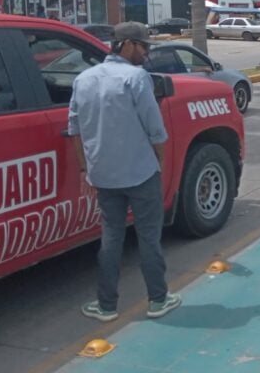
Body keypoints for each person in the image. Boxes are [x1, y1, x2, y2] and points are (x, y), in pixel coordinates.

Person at [68, 21, 182, 321]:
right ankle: (158, 300)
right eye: (143, 46)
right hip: (140, 173)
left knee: (111, 238)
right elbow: (156, 130)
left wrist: (85, 170)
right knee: (148, 238)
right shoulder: (136, 78)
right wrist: (159, 163)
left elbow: (75, 130)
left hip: (104, 176)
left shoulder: (83, 79)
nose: (146, 53)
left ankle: (106, 306)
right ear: (128, 45)